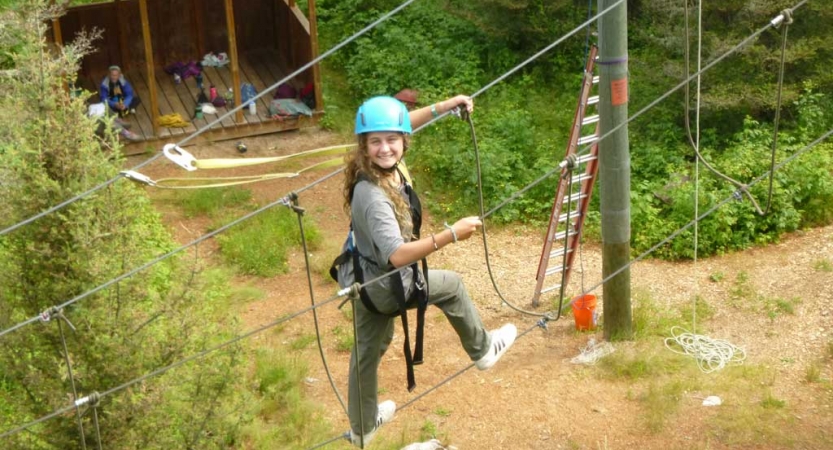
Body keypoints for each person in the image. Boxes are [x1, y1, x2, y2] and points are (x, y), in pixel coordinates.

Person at [344, 95, 517, 447]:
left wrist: (445, 106)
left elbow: (404, 121)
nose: (385, 148)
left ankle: (362, 427)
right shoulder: (374, 195)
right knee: (451, 286)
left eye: (392, 140)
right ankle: (483, 350)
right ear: (364, 146)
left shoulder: (382, 168)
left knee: (367, 351)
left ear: (402, 141)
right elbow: (396, 255)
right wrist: (451, 235)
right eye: (375, 142)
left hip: (362, 279)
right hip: (387, 282)